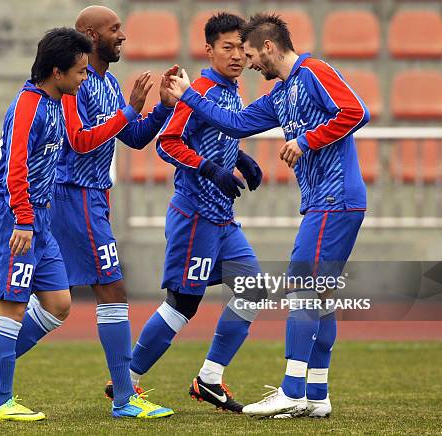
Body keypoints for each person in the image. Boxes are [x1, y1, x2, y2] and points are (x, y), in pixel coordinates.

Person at [166, 13, 370, 418]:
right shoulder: (281, 94)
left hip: (336, 197)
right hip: (322, 201)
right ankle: (316, 395)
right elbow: (237, 123)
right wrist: (190, 95)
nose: (249, 62)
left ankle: (291, 389)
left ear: (270, 47)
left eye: (252, 53)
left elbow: (355, 111)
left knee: (300, 284)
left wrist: (306, 140)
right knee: (321, 296)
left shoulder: (313, 71)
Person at [125, 12, 265, 414]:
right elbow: (168, 143)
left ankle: (208, 379)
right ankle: (127, 381)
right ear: (209, 50)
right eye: (228, 47)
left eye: (242, 47)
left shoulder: (232, 90)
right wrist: (209, 169)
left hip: (222, 217)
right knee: (183, 304)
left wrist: (239, 158)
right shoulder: (200, 89)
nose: (237, 54)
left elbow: (211, 135)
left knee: (253, 289)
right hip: (195, 215)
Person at [0, 27, 92, 422]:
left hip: (40, 219)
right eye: (81, 72)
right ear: (57, 72)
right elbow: (15, 167)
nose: (85, 79)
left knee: (58, 304)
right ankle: (1, 402)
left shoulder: (56, 103)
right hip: (14, 218)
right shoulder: (29, 105)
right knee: (11, 309)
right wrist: (23, 219)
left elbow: (80, 142)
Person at [50, 5, 177, 419]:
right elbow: (80, 142)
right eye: (115, 29)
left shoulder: (106, 83)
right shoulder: (76, 83)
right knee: (112, 290)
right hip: (75, 192)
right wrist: (130, 108)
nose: (122, 36)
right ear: (89, 33)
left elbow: (134, 138)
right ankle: (124, 397)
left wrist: (159, 107)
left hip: (93, 196)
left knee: (55, 301)